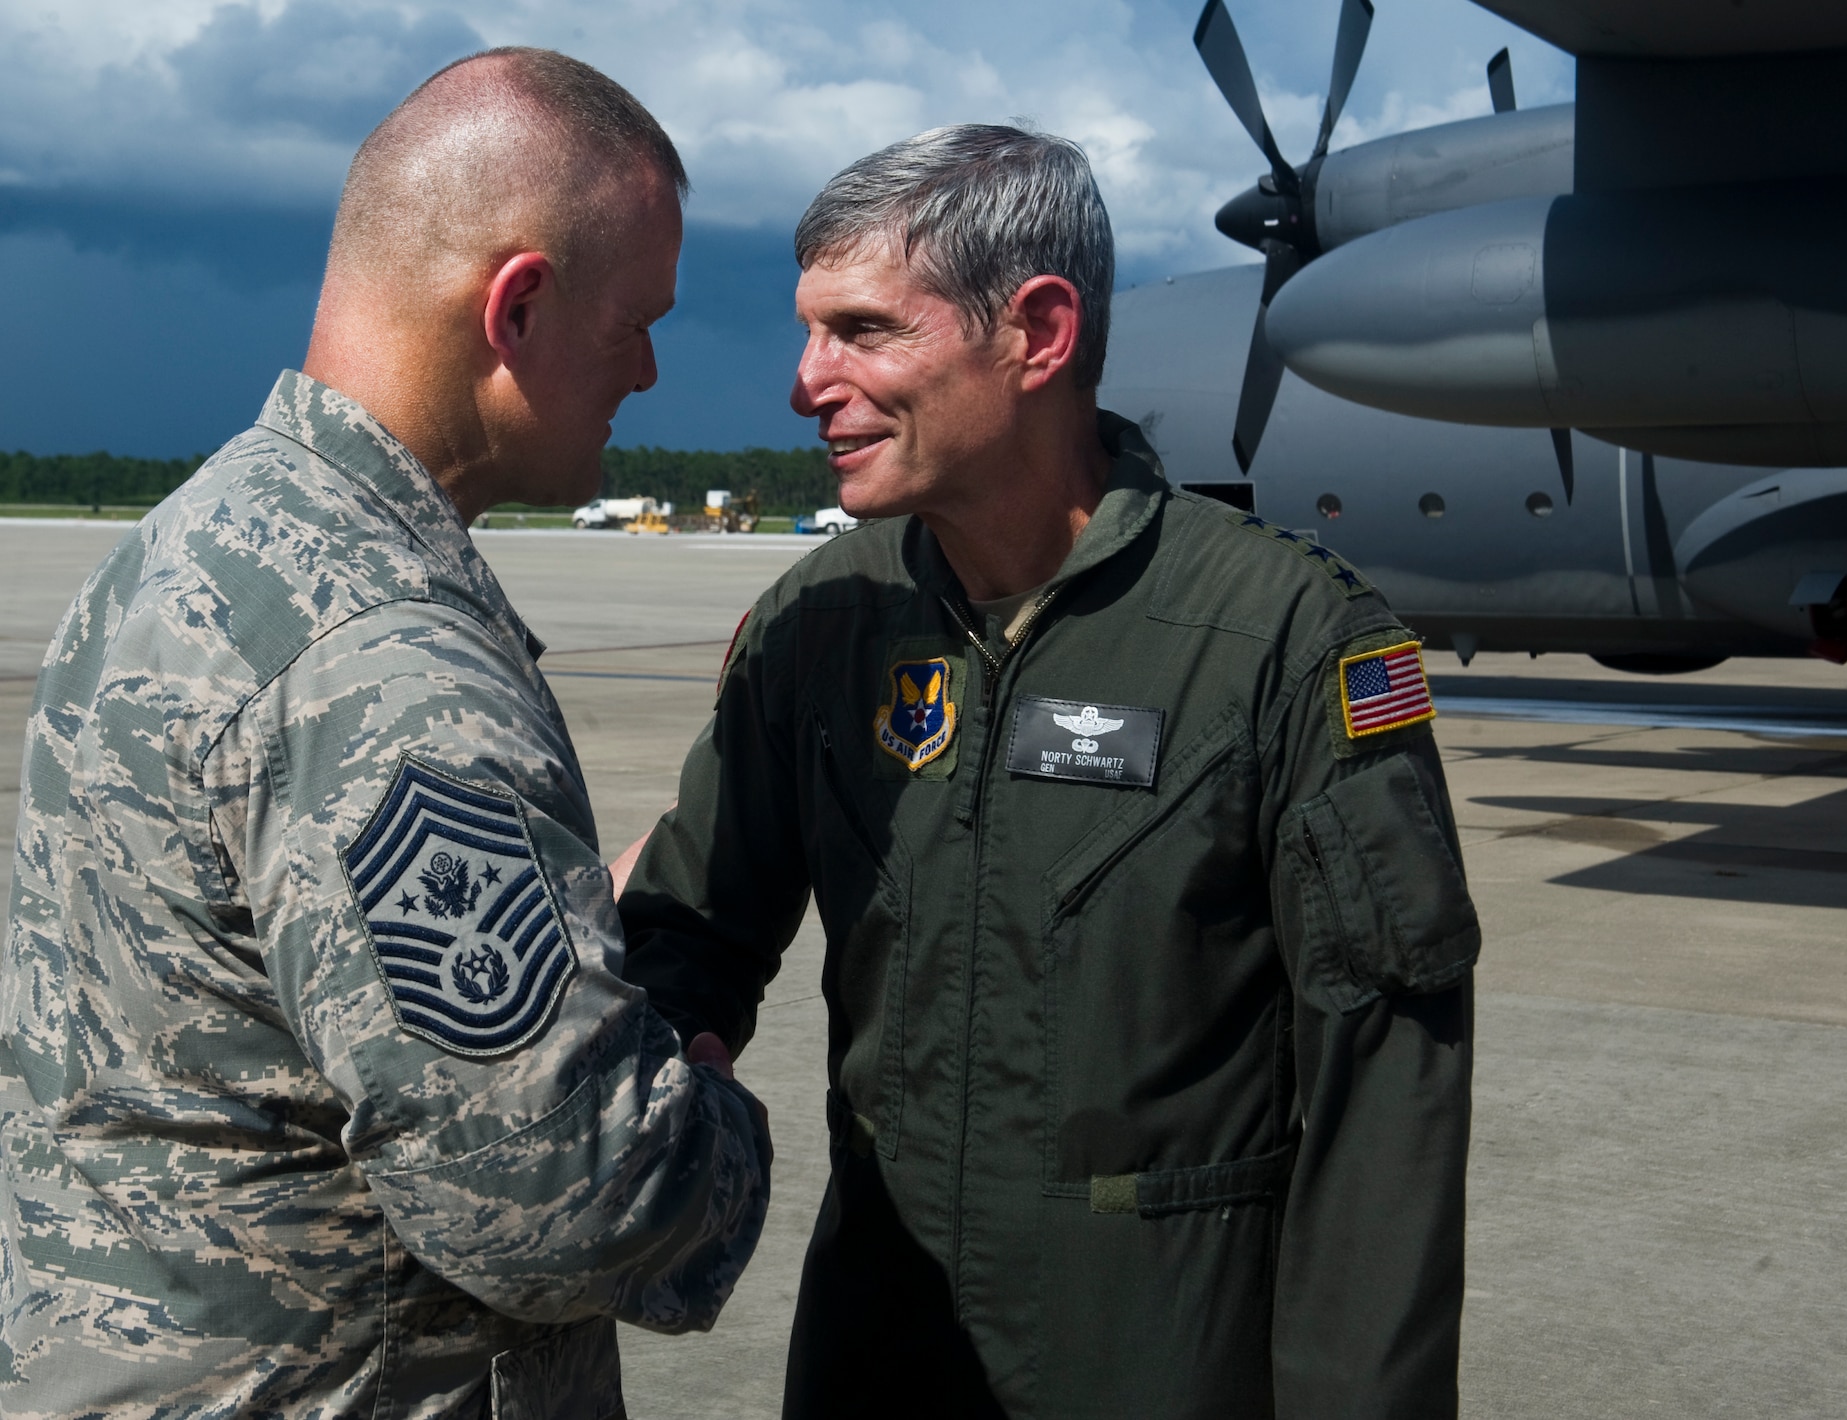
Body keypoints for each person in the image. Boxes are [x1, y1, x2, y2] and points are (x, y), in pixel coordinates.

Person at [614, 124, 1481, 1418]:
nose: (807, 383)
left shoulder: (1283, 645)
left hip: (1159, 1367)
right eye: (809, 333)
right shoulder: (818, 629)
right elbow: (690, 933)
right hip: (877, 1361)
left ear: (1039, 331)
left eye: (862, 330)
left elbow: (1385, 1112)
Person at [0, 49, 770, 1418]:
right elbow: (555, 1197)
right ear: (518, 308)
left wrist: (552, 922)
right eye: (635, 322)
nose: (653, 370)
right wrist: (691, 1091)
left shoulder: (195, 546)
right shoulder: (384, 662)